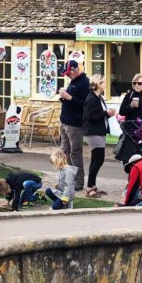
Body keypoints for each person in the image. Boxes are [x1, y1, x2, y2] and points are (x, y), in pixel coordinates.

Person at [58, 58, 89, 191]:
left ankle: (79, 181)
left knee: (75, 153)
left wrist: (69, 97)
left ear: (75, 70)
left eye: (69, 73)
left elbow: (85, 105)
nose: (68, 76)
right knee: (65, 152)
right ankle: (68, 178)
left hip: (75, 124)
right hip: (65, 122)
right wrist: (63, 97)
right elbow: (71, 101)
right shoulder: (73, 82)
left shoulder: (84, 83)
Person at [82, 73, 115, 198]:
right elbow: (90, 117)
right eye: (103, 82)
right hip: (93, 132)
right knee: (98, 159)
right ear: (97, 84)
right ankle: (89, 187)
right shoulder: (91, 98)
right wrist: (106, 113)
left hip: (99, 131)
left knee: (96, 159)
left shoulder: (99, 97)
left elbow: (99, 114)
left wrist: (107, 113)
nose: (105, 84)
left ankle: (92, 186)